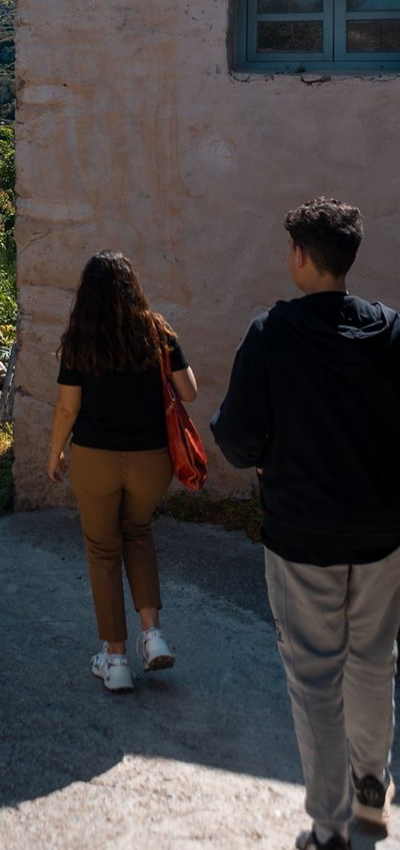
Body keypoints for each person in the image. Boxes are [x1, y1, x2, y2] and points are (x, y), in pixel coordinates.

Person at [211, 198, 400, 850]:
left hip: (301, 535)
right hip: (381, 533)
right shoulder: (391, 331)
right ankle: (373, 790)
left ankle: (329, 825)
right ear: (349, 258)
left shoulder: (273, 333)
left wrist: (262, 460)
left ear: (299, 255)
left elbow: (234, 433)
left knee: (317, 676)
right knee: (374, 663)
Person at [45, 251, 198, 693]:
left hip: (96, 456)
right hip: (152, 458)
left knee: (102, 549)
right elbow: (188, 390)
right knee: (139, 531)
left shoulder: (80, 338)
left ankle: (115, 660)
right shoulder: (158, 330)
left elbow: (68, 406)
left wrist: (54, 452)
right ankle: (153, 636)